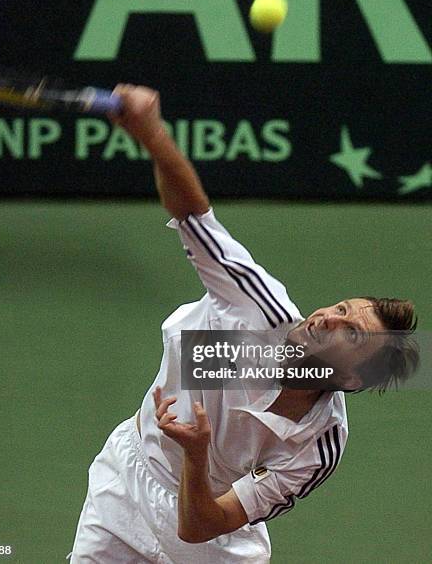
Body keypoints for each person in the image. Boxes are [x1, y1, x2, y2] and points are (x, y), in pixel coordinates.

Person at [69, 86, 418, 563]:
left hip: (211, 530)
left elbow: (201, 527)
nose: (328, 318)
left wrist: (197, 452)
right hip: (128, 484)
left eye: (351, 333)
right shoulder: (258, 308)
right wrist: (152, 134)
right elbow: (194, 216)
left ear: (354, 378)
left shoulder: (320, 446)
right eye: (339, 308)